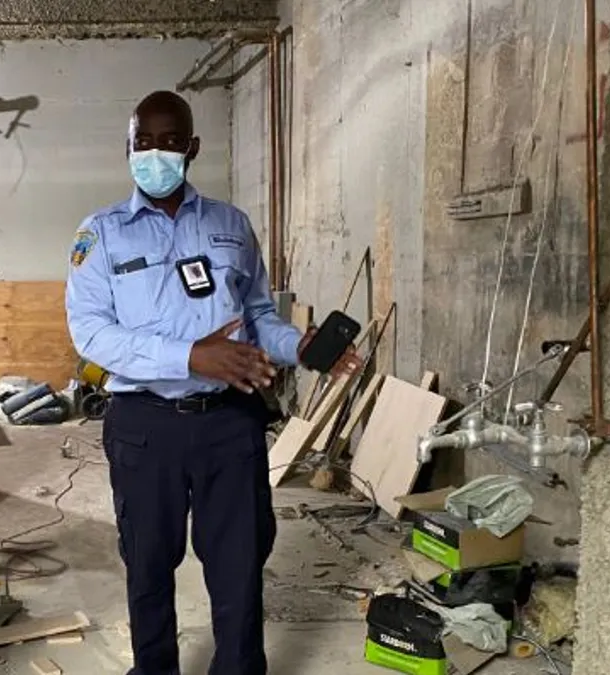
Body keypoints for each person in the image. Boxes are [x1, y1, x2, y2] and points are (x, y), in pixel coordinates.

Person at [65, 90, 360, 675]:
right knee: (149, 563)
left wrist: (298, 346)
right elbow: (91, 334)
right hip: (144, 427)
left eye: (169, 141)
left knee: (239, 562)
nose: (155, 153)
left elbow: (257, 319)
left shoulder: (231, 225)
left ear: (191, 147)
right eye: (142, 142)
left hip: (229, 421)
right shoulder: (100, 235)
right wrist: (190, 356)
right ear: (127, 147)